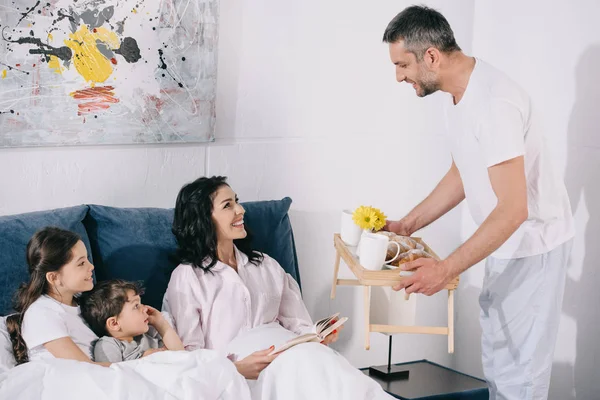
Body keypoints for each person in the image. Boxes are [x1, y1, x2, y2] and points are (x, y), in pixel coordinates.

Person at [381, 6, 574, 400]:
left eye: (403, 65)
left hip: (531, 247)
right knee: (500, 368)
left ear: (431, 56)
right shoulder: (459, 96)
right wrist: (407, 225)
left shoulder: (493, 103)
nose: (398, 76)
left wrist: (445, 269)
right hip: (506, 243)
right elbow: (463, 172)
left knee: (520, 377)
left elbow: (514, 208)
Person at [163, 176, 393, 399]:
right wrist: (235, 368)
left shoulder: (265, 265)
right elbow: (189, 357)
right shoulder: (188, 277)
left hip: (295, 356)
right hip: (244, 374)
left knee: (329, 369)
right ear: (204, 219)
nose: (240, 210)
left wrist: (317, 336)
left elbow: (298, 324)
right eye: (228, 205)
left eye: (237, 201)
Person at [5, 227, 108, 366]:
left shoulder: (82, 303)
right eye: (81, 263)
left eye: (88, 259)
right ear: (54, 277)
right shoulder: (42, 313)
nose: (92, 267)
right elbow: (85, 367)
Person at [80, 279, 185, 363]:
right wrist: (143, 361)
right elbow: (112, 377)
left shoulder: (150, 333)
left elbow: (182, 356)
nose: (145, 308)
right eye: (136, 306)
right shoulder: (108, 345)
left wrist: (162, 325)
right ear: (114, 323)